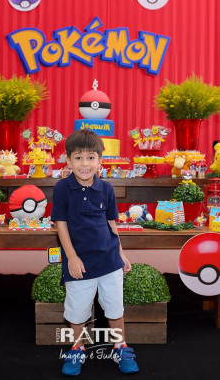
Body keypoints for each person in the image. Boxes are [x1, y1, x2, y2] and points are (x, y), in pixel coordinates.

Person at [51, 129, 139, 376]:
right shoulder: (62, 188)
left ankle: (120, 346)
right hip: (80, 263)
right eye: (78, 158)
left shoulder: (106, 189)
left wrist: (120, 253)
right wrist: (72, 257)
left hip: (109, 260)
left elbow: (112, 224)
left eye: (91, 157)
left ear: (100, 161)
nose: (85, 164)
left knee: (114, 307)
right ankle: (77, 348)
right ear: (68, 160)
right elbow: (61, 225)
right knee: (78, 309)